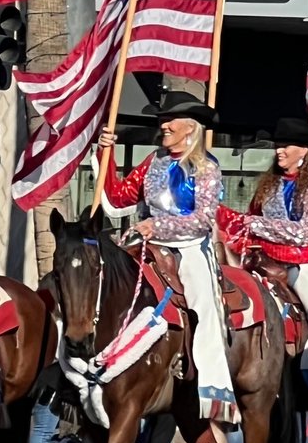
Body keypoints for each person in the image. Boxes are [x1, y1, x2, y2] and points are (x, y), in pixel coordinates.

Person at [95, 89, 237, 425]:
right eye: (162, 120)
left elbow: (204, 218)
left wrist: (157, 225)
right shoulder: (152, 162)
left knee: (204, 300)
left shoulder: (207, 167)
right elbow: (117, 198)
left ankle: (214, 387)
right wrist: (106, 153)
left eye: (170, 120)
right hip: (146, 239)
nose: (164, 126)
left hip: (190, 246)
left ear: (191, 127)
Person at [218, 117, 308, 404]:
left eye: (287, 145)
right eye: (278, 145)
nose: (279, 151)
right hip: (261, 259)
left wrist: (256, 226)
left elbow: (307, 233)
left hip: (303, 263)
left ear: (306, 151)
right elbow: (250, 217)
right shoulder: (269, 186)